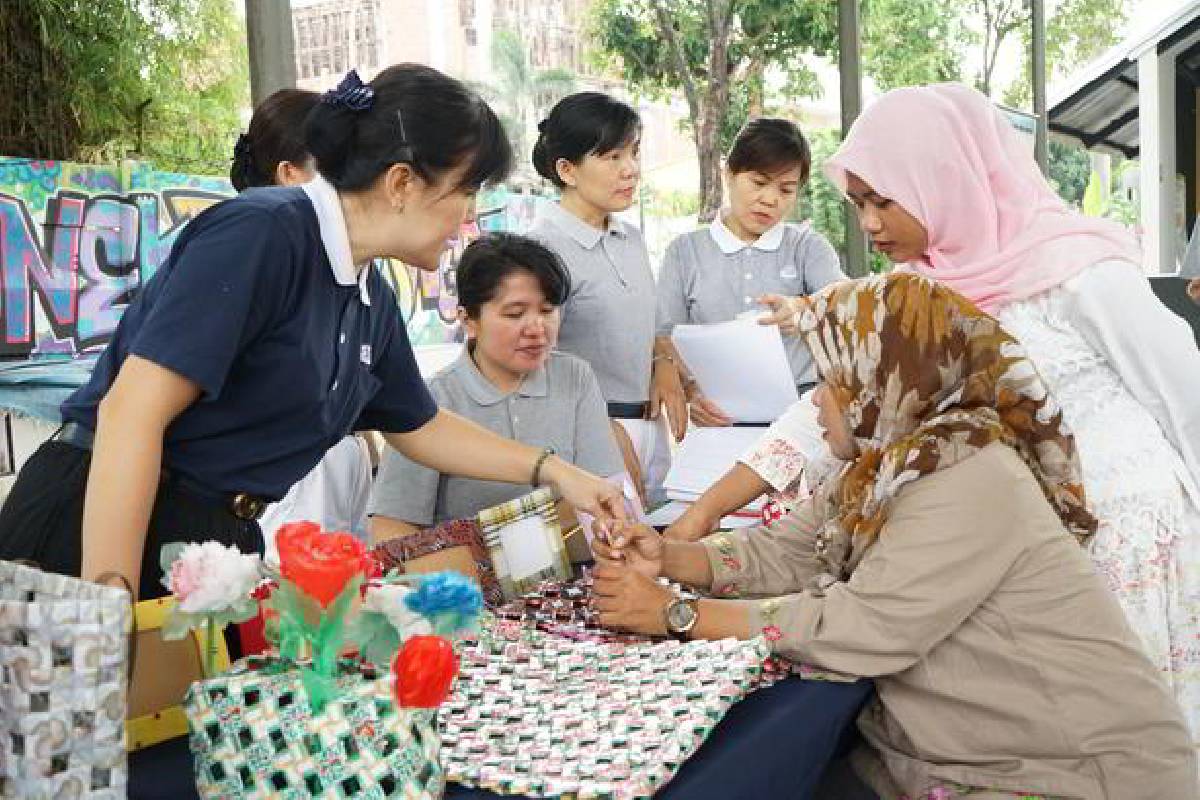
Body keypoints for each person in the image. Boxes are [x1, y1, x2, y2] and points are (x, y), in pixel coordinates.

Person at [0, 66, 623, 600]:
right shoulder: (262, 235)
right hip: (93, 529)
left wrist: (556, 472)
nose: (468, 218)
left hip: (213, 543)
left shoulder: (368, 293)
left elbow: (421, 426)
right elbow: (131, 413)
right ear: (402, 182)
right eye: (464, 191)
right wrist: (110, 603)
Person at [593, 273, 1198, 799]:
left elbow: (868, 626)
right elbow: (786, 550)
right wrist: (669, 553)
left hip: (1066, 772)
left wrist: (681, 614)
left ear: (878, 381)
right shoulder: (888, 465)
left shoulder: (964, 474)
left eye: (829, 379)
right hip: (963, 756)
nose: (817, 400)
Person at [748, 82, 1200, 737]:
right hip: (1026, 536)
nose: (869, 223)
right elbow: (834, 406)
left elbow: (1180, 387)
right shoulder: (918, 295)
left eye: (883, 200)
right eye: (858, 204)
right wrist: (710, 510)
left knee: (1127, 724)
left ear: (944, 179)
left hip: (1125, 532)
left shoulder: (1078, 269)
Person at [370, 232, 624, 539]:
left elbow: (602, 492)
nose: (536, 329)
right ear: (468, 320)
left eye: (547, 311)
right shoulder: (432, 399)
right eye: (515, 314)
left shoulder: (575, 377)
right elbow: (391, 529)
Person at [228, 88, 377, 555]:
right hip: (284, 486)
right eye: (341, 170)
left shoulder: (361, 277)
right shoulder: (246, 252)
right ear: (291, 174)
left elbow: (415, 417)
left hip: (336, 469)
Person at [528, 92, 687, 507]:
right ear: (567, 169)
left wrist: (663, 361)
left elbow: (648, 326)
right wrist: (598, 430)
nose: (630, 170)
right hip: (585, 437)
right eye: (612, 157)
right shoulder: (541, 248)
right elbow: (534, 364)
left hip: (649, 427)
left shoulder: (630, 238)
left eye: (633, 153)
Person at [656, 118, 844, 427]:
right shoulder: (685, 251)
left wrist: (802, 309)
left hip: (801, 417)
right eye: (758, 183)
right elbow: (665, 336)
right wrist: (691, 393)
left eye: (786, 190)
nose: (770, 200)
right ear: (729, 174)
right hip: (717, 420)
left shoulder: (807, 247)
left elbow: (847, 305)